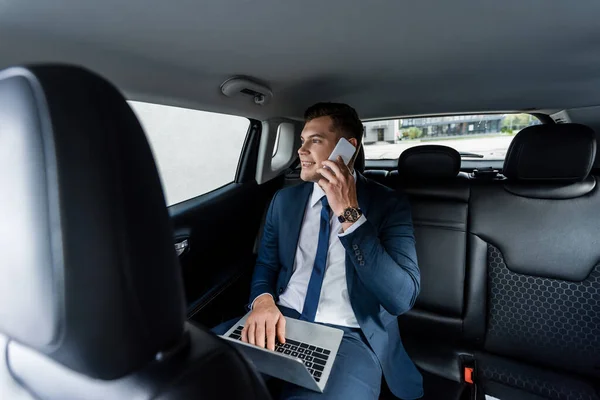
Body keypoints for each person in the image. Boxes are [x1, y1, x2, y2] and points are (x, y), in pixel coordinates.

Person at [213, 103, 422, 400]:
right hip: (279, 319)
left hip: (349, 337)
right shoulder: (283, 201)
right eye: (302, 141)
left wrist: (350, 215)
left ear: (348, 147)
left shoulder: (389, 204)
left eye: (315, 140)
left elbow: (401, 298)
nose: (301, 150)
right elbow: (266, 265)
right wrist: (262, 302)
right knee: (193, 378)